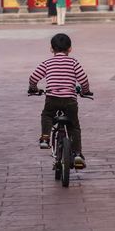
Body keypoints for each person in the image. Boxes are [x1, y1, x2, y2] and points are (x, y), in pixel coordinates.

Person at [28, 33, 90, 169]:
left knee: (47, 115)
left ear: (51, 49)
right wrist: (85, 91)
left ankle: (45, 138)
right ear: (70, 49)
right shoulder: (73, 62)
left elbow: (33, 78)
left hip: (52, 99)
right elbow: (83, 80)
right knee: (74, 126)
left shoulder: (47, 63)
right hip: (70, 100)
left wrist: (33, 88)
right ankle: (78, 154)